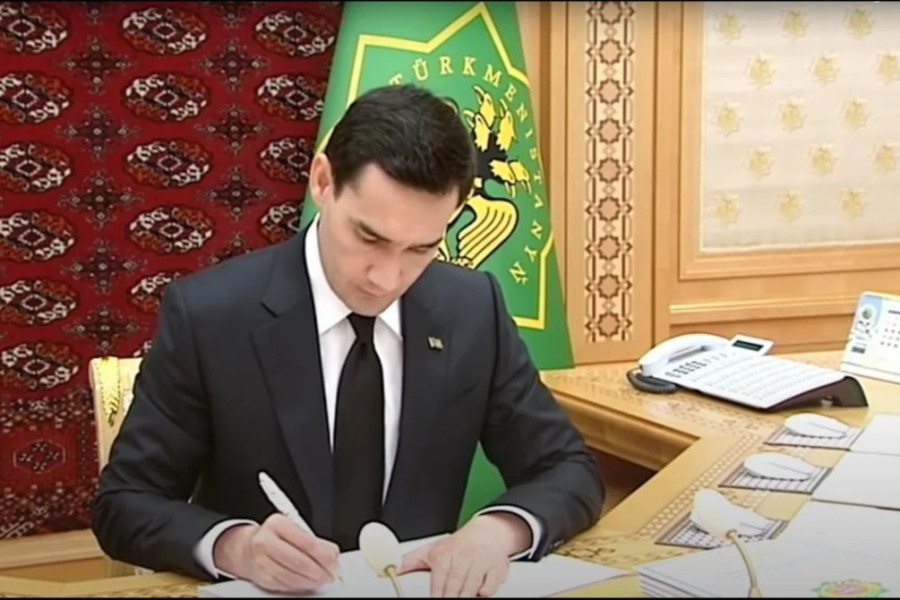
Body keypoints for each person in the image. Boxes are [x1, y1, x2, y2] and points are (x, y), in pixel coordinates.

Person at [91, 83, 604, 598]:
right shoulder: (211, 316)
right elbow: (124, 503)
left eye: (421, 248)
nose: (387, 278)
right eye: (369, 237)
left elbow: (568, 467)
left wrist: (498, 531)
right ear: (323, 180)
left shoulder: (471, 310)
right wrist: (236, 547)